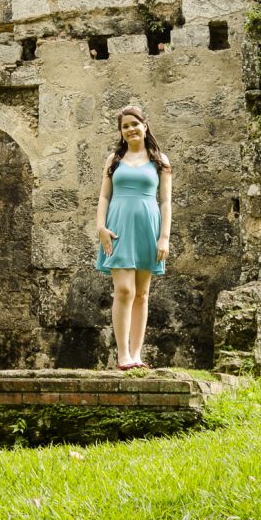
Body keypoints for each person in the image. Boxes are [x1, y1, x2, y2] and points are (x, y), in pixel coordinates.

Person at [94, 105, 172, 370]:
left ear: (145, 125)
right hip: (118, 227)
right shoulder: (114, 158)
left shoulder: (160, 160)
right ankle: (123, 355)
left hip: (148, 228)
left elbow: (166, 202)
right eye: (125, 126)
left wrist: (164, 237)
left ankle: (137, 355)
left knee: (142, 294)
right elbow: (104, 196)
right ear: (121, 131)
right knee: (124, 290)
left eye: (134, 124)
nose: (130, 129)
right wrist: (100, 227)